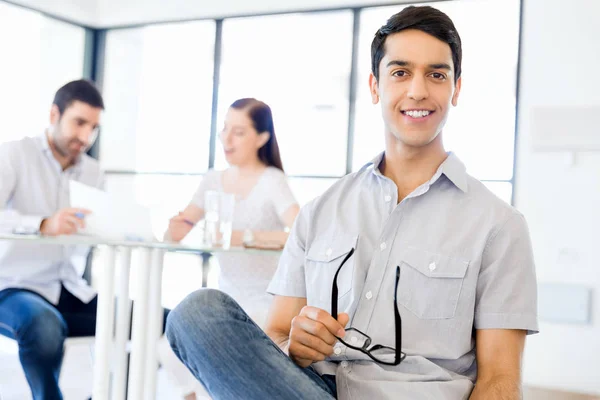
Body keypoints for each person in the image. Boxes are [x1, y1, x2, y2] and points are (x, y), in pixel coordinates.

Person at [165, 6, 538, 400]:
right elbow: (277, 333)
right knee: (197, 313)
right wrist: (295, 344)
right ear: (375, 86)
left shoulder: (500, 225)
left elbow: (499, 378)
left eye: (436, 74)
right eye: (400, 72)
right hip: (312, 389)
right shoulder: (319, 211)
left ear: (456, 89)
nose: (417, 90)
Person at [0, 80, 196, 400]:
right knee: (45, 327)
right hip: (11, 287)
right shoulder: (13, 154)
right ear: (54, 114)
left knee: (163, 321)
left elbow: (103, 227)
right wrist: (43, 224)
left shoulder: (93, 172)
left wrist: (152, 232)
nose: (86, 136)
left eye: (94, 127)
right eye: (79, 123)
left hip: (68, 289)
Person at [166, 97, 300, 325]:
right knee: (172, 343)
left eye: (238, 132)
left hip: (266, 302)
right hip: (223, 299)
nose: (226, 139)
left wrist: (244, 237)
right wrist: (175, 227)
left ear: (261, 138)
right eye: (225, 128)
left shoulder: (272, 181)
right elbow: (174, 236)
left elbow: (302, 235)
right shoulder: (213, 180)